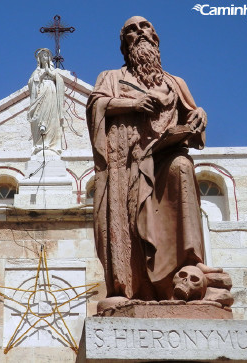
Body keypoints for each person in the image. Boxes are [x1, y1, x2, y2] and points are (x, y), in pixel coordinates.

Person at [86, 16, 210, 301]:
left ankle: (190, 263)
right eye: (131, 30)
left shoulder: (175, 83)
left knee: (182, 166)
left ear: (155, 38)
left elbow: (190, 115)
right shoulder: (112, 77)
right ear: (124, 43)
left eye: (145, 28)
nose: (139, 32)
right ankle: (130, 285)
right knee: (122, 213)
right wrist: (133, 103)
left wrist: (199, 115)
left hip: (164, 157)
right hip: (126, 163)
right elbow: (97, 105)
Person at [28, 48, 65, 154]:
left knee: (53, 117)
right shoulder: (37, 71)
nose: (44, 58)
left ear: (49, 58)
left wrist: (51, 74)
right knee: (41, 114)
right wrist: (40, 76)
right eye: (42, 56)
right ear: (39, 59)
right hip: (41, 93)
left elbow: (60, 82)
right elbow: (31, 83)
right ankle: (41, 142)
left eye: (46, 55)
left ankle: (52, 143)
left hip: (52, 93)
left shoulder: (54, 71)